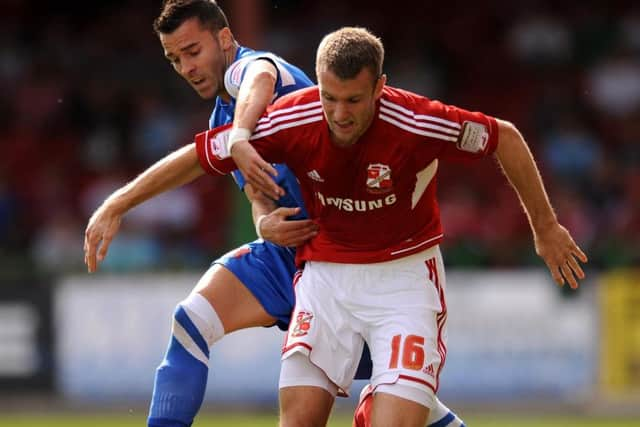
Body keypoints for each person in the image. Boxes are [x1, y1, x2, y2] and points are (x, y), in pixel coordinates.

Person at [82, 3, 464, 427]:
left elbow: (257, 78)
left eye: (193, 51)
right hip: (291, 255)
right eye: (175, 59)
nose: (186, 67)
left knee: (401, 405)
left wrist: (119, 202)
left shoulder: (259, 71)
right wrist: (263, 219)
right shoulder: (222, 117)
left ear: (225, 40)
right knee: (191, 321)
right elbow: (258, 189)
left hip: (347, 261)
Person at [193, 27, 588, 426]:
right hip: (325, 278)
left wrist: (546, 227)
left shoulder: (418, 121)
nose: (340, 113)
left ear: (379, 87)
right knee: (298, 421)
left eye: (353, 100)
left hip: (404, 281)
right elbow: (208, 155)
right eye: (329, 98)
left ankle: (378, 407)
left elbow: (505, 136)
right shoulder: (294, 115)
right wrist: (127, 200)